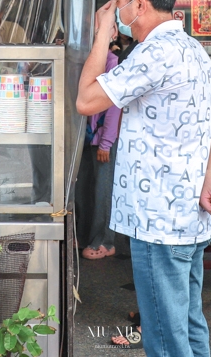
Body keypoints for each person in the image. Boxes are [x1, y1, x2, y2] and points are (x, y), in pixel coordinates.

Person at [76, 0, 211, 357]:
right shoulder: (193, 49)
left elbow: (86, 100)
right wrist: (208, 179)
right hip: (186, 219)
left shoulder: (155, 52)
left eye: (116, 1)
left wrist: (101, 35)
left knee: (164, 336)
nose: (114, 10)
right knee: (188, 322)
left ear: (138, 4)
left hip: (158, 221)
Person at [82, 41, 125, 260]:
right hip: (90, 139)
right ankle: (88, 237)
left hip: (104, 141)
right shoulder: (91, 62)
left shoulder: (112, 63)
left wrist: (106, 142)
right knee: (89, 190)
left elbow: (114, 107)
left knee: (103, 192)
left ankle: (105, 242)